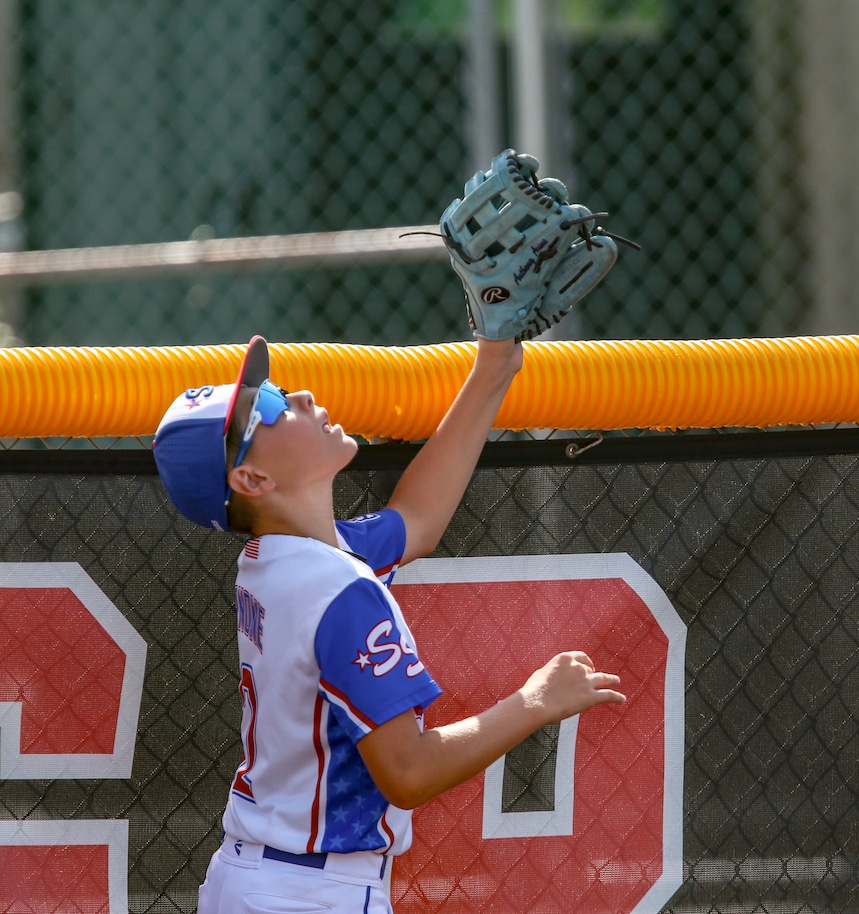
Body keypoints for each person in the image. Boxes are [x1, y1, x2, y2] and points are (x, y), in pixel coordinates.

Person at [152, 332, 624, 914]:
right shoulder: (339, 589)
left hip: (258, 877)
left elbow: (417, 520)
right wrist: (535, 702)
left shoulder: (279, 558)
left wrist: (496, 360)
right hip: (310, 894)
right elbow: (406, 770)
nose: (296, 395)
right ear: (252, 481)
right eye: (270, 408)